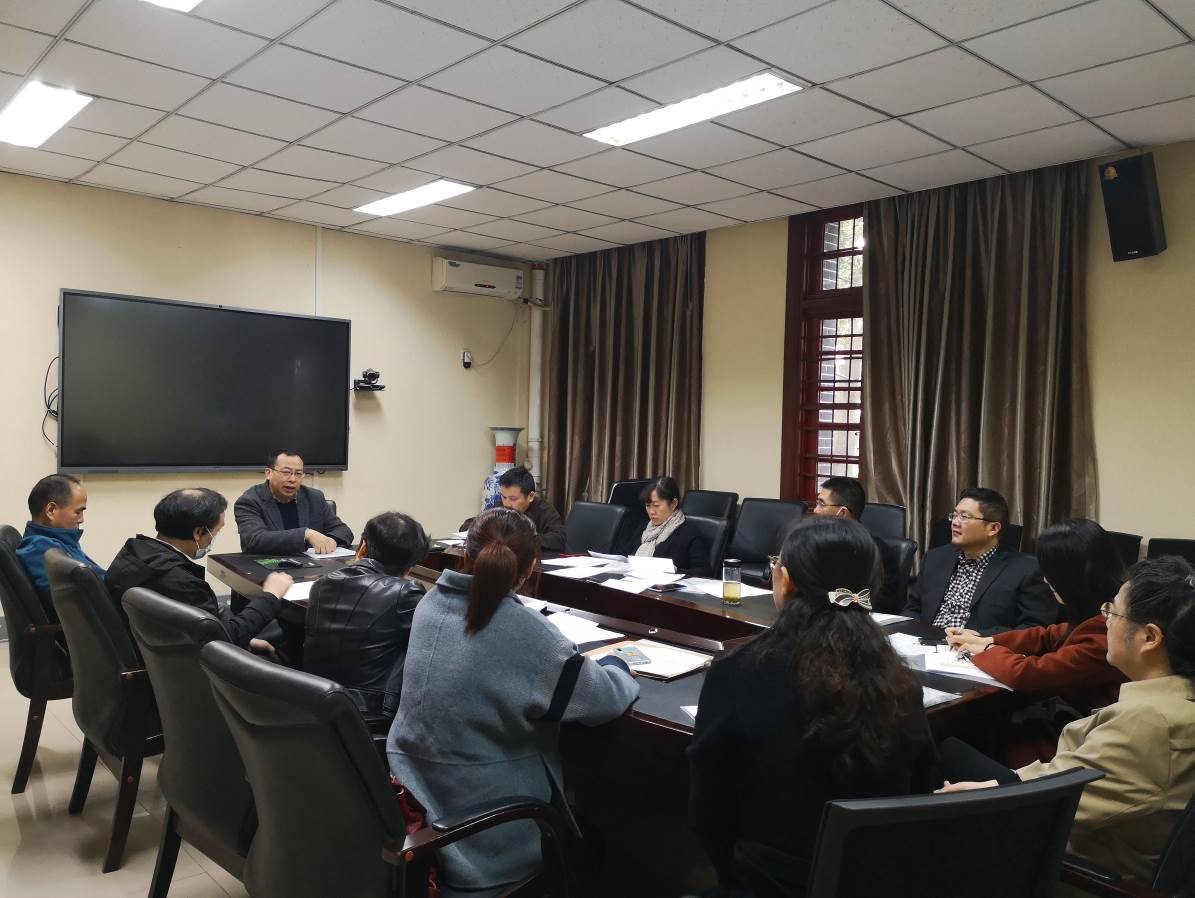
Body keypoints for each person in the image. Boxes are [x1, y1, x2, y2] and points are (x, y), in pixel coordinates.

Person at [388, 507, 638, 895]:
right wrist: (618, 665)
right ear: (529, 567)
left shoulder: (430, 603)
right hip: (485, 830)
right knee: (596, 850)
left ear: (465, 554)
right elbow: (603, 700)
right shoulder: (528, 632)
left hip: (417, 805)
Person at [689, 516, 939, 898]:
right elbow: (920, 785)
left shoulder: (738, 672)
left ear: (785, 579)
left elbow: (710, 807)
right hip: (875, 876)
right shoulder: (899, 679)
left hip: (769, 881)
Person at [940, 556, 1195, 883]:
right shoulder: (1173, 700)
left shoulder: (1150, 724)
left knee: (937, 754)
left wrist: (982, 794)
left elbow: (1050, 803)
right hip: (1078, 815)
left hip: (1071, 865)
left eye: (1112, 612)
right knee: (949, 750)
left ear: (1149, 638)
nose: (1105, 621)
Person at [946, 518, 1127, 714]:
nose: (1045, 580)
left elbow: (1029, 674)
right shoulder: (1102, 608)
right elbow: (1050, 635)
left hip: (1088, 726)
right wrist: (988, 640)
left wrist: (988, 650)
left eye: (1050, 572)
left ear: (1072, 575)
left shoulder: (1110, 631)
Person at [106, 488, 292, 652]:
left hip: (155, 647)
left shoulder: (133, 552)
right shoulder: (181, 582)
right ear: (198, 533)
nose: (214, 537)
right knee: (280, 634)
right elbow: (224, 640)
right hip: (191, 665)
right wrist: (271, 595)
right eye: (217, 531)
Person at [304, 511, 429, 719]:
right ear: (410, 568)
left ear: (362, 548)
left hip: (317, 700)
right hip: (372, 713)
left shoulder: (322, 584)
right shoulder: (406, 593)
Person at [904, 488, 1056, 634]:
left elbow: (1034, 629)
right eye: (954, 515)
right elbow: (913, 609)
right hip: (922, 643)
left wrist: (979, 639)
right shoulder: (934, 558)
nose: (955, 522)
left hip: (976, 648)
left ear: (993, 528)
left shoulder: (1026, 570)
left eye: (965, 517)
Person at [16, 474, 105, 616]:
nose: (81, 520)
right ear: (51, 511)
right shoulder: (42, 550)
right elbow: (72, 604)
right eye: (78, 512)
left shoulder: (59, 543)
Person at [234, 449, 353, 555]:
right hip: (269, 566)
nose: (293, 479)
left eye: (298, 474)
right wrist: (305, 534)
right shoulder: (249, 501)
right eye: (286, 472)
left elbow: (344, 531)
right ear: (268, 473)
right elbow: (254, 539)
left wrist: (330, 541)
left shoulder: (314, 497)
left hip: (311, 567)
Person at [812, 475, 905, 610]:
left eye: (822, 504)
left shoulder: (877, 553)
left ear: (842, 513)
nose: (815, 510)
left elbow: (882, 604)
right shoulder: (812, 543)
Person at [459, 467, 567, 552]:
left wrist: (521, 537)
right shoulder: (501, 506)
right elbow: (467, 525)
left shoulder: (544, 510)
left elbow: (559, 539)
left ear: (530, 496)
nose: (507, 503)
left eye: (513, 499)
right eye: (504, 497)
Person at [622, 476, 709, 575]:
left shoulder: (689, 533)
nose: (651, 511)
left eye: (656, 506)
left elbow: (704, 571)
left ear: (673, 504)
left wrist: (675, 571)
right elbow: (625, 557)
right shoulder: (643, 528)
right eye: (648, 505)